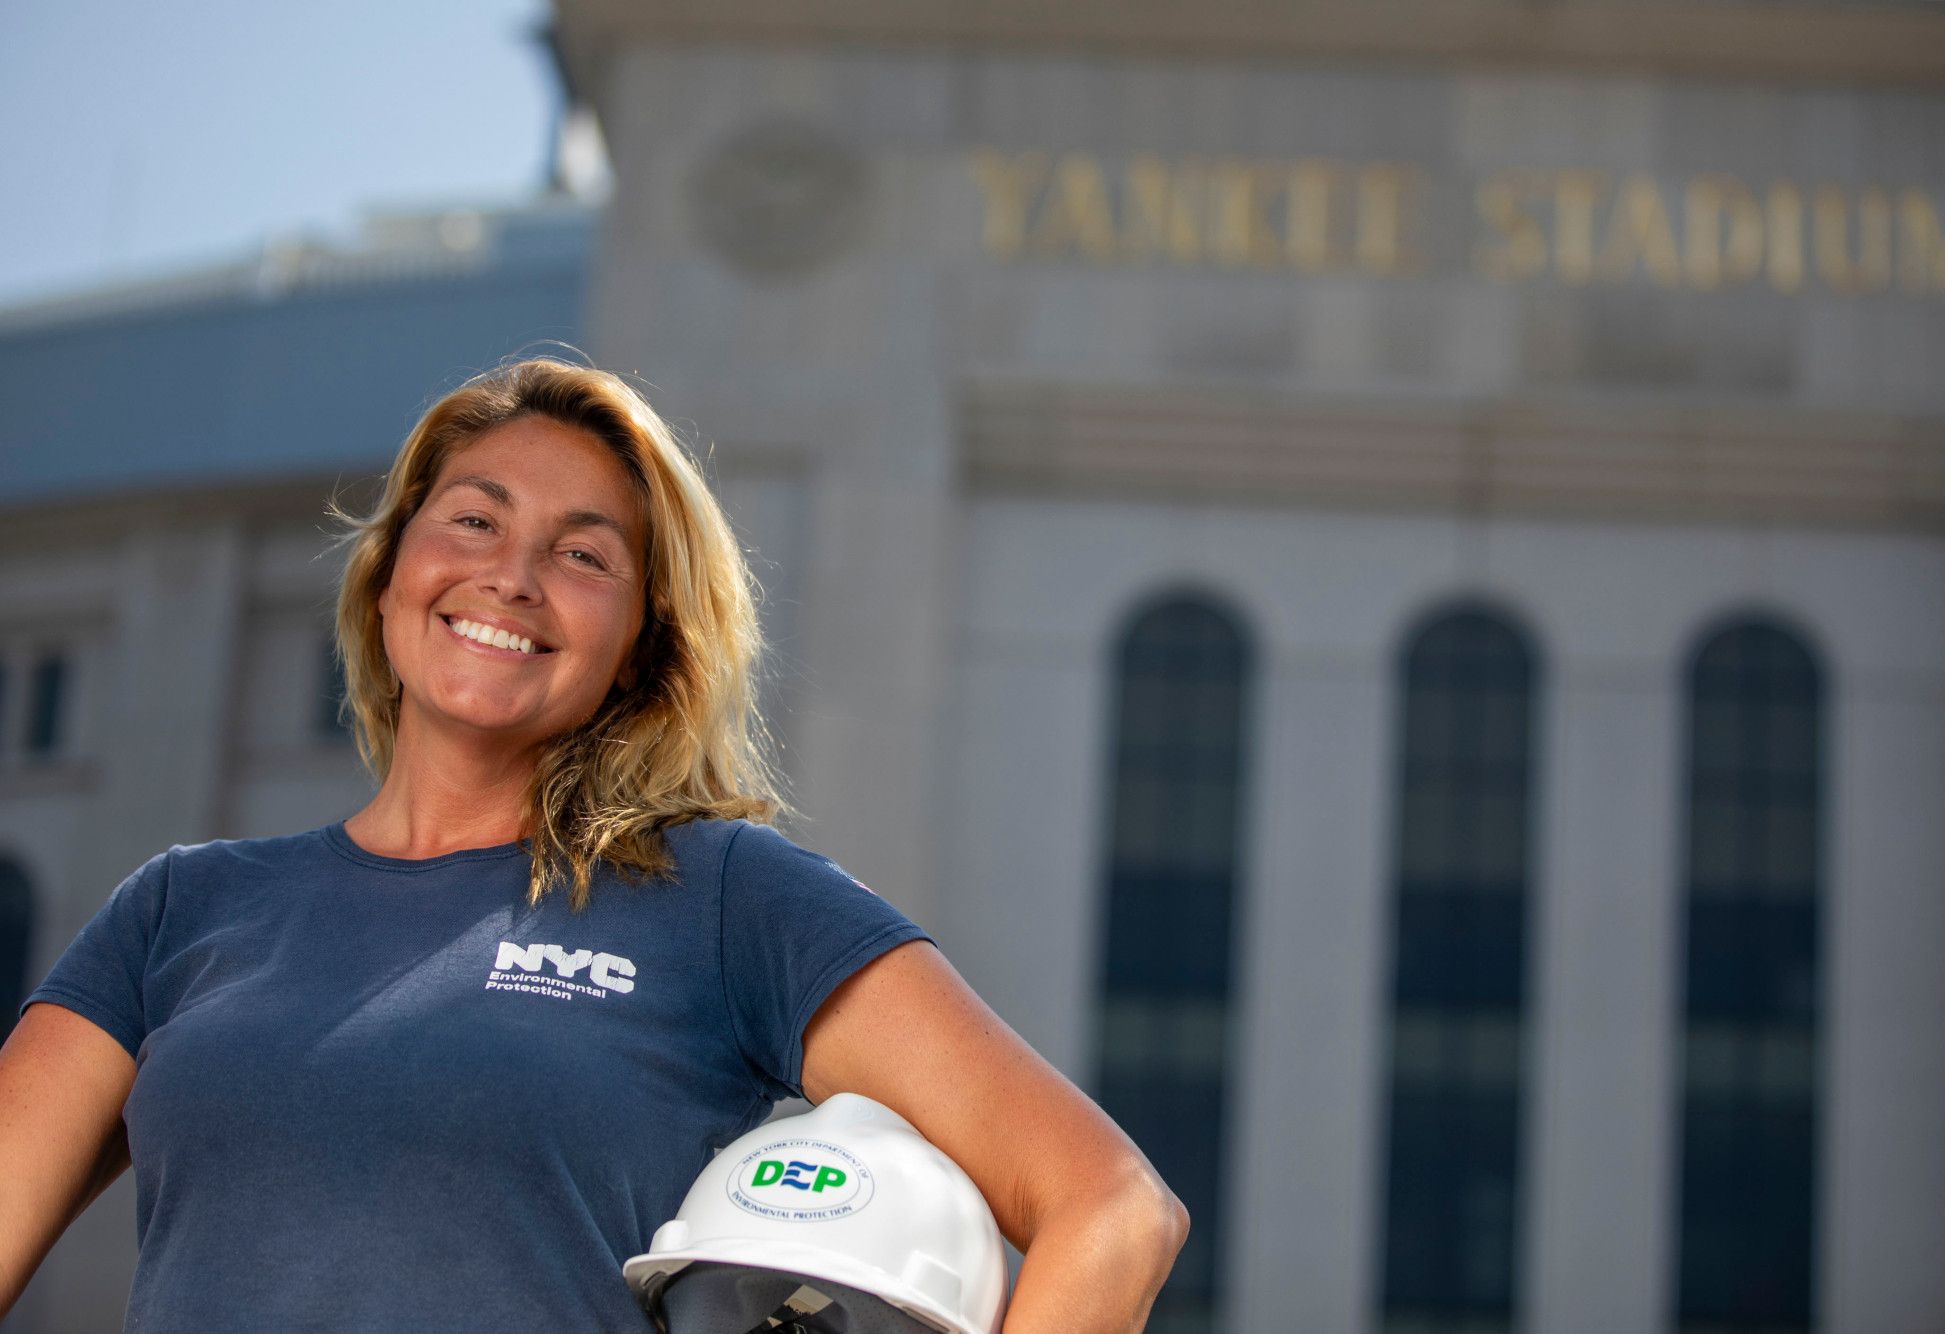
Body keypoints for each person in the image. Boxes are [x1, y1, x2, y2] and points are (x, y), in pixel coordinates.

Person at [0, 357, 1188, 1332]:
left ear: (640, 645)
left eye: (582, 554)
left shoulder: (719, 895)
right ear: (389, 572)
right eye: (472, 519)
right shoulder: (182, 909)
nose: (510, 577)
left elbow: (1111, 1206)